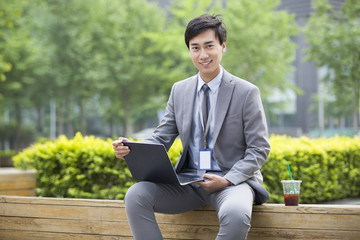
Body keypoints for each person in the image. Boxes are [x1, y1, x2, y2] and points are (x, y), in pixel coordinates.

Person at [112, 14, 270, 240]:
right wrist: (132, 147)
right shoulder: (180, 90)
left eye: (209, 46)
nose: (203, 55)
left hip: (231, 182)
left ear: (223, 47)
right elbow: (161, 137)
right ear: (189, 51)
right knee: (136, 195)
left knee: (236, 215)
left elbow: (259, 149)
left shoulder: (246, 92)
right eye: (195, 48)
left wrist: (227, 180)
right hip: (188, 182)